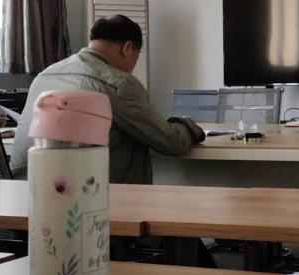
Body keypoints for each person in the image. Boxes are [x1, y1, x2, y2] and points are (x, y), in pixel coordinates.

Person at [11, 15, 205, 185]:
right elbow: (171, 142)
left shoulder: (45, 75)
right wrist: (188, 126)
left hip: (26, 194)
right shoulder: (118, 83)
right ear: (127, 48)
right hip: (89, 201)